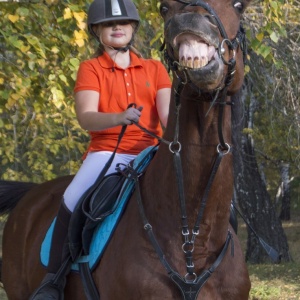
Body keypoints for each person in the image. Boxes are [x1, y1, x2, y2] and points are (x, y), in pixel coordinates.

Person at [29, 0, 171, 299]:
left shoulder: (155, 69)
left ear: (133, 27)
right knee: (70, 198)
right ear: (97, 31)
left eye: (122, 23)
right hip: (108, 153)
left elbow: (168, 117)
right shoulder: (91, 69)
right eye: (108, 24)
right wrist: (119, 117)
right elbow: (86, 117)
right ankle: (53, 280)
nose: (116, 27)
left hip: (153, 152)